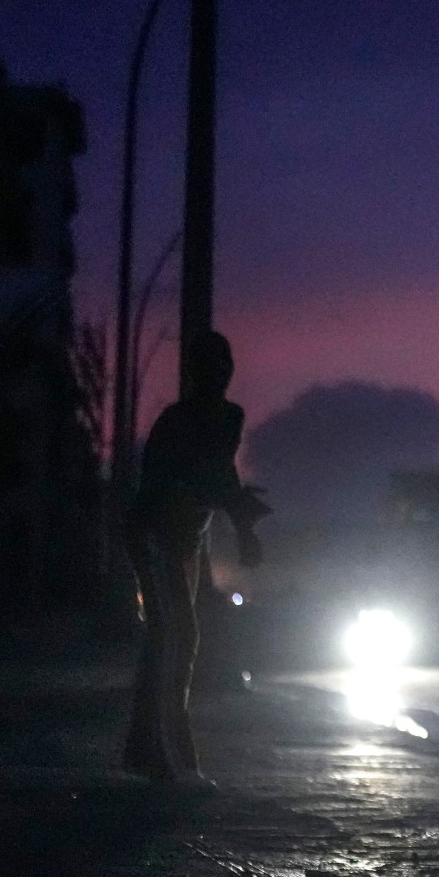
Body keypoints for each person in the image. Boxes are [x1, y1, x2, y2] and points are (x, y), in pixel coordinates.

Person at [123, 331, 267, 788]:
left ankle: (148, 753)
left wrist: (243, 526)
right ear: (192, 372)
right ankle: (172, 761)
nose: (220, 372)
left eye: (225, 362)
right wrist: (239, 513)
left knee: (171, 641)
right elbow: (198, 479)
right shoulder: (177, 421)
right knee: (177, 638)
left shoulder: (228, 417)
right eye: (210, 363)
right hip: (156, 533)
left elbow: (221, 475)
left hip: (188, 538)